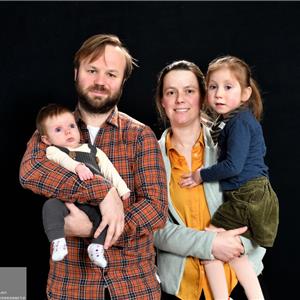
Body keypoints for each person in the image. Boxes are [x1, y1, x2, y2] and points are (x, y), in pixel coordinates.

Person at [19, 34, 168, 299]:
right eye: (92, 70)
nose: (100, 81)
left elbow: (155, 209)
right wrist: (103, 192)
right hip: (71, 287)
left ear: (122, 81)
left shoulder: (140, 136)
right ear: (76, 73)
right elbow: (31, 172)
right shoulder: (53, 129)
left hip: (134, 286)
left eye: (111, 74)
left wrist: (93, 228)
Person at [153, 60, 266, 300]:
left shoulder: (230, 147)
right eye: (171, 92)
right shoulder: (150, 158)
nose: (180, 99)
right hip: (180, 288)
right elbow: (153, 228)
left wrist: (238, 247)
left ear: (203, 98)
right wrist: (210, 244)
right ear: (162, 102)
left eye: (189, 91)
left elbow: (259, 208)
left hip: (236, 282)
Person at [180, 55, 279, 299]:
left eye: (228, 87)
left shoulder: (240, 123)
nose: (219, 94)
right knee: (234, 251)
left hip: (248, 195)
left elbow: (233, 166)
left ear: (245, 94)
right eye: (213, 87)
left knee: (210, 244)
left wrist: (201, 174)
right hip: (253, 193)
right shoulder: (234, 120)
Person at [36, 103, 131, 268]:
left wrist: (122, 188)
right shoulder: (54, 150)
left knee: (105, 219)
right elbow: (62, 161)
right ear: (46, 139)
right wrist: (77, 167)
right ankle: (58, 241)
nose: (68, 132)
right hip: (69, 200)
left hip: (95, 202)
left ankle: (97, 247)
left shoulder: (93, 151)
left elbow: (109, 170)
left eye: (71, 126)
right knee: (50, 207)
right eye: (58, 130)